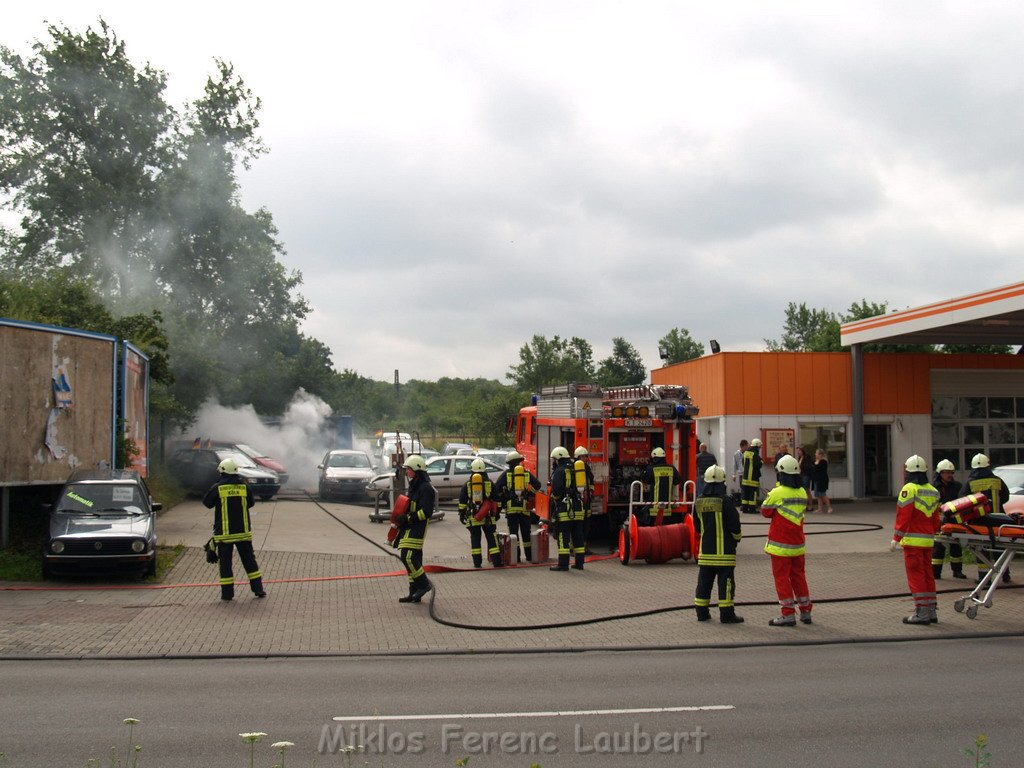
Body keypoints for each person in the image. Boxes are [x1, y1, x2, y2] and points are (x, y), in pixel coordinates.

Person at [203, 457, 266, 601]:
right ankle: (258, 589)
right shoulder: (244, 487)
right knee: (250, 562)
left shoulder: (217, 488)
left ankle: (227, 594)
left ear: (223, 472)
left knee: (225, 565)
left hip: (225, 535)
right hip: (243, 533)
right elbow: (250, 504)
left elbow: (207, 503)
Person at [761, 454, 812, 626]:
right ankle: (806, 612)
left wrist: (772, 495)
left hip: (780, 547)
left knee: (782, 579)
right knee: (799, 577)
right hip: (798, 545)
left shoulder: (777, 493)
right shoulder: (802, 492)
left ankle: (788, 614)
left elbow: (765, 512)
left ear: (781, 474)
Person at [890, 455, 941, 624]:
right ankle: (931, 610)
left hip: (912, 543)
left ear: (908, 472)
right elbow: (935, 520)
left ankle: (922, 613)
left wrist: (896, 537)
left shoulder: (908, 489)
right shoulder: (934, 491)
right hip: (928, 542)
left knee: (916, 577)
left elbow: (903, 516)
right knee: (928, 576)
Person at [693, 465, 744, 624]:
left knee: (704, 584)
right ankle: (727, 615)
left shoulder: (699, 502)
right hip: (725, 554)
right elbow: (734, 525)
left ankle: (701, 613)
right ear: (722, 482)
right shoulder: (726, 501)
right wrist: (737, 538)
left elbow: (697, 526)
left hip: (706, 553)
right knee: (726, 584)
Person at [960, 453, 1012, 583]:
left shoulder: (970, 483)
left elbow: (961, 500)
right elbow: (1006, 497)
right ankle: (1005, 575)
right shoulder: (997, 481)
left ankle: (984, 578)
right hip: (999, 520)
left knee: (981, 549)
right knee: (1000, 548)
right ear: (988, 466)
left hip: (979, 522)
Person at [394, 454, 436, 603]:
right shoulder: (415, 485)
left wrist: (408, 518)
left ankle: (424, 585)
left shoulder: (426, 489)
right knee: (413, 558)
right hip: (408, 527)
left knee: (408, 556)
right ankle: (413, 593)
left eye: (408, 469)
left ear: (417, 470)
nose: (407, 472)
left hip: (417, 528)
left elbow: (426, 512)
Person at [493, 450, 540, 563]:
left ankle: (516, 557)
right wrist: (530, 494)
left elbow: (497, 489)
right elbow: (538, 485)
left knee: (514, 534)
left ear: (509, 463)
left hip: (511, 510)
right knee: (526, 534)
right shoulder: (526, 473)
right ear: (519, 462)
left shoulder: (506, 475)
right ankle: (529, 556)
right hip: (525, 510)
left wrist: (503, 499)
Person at [458, 458, 503, 568]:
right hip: (488, 517)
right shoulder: (490, 484)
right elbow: (497, 501)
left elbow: (462, 502)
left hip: (473, 518)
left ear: (472, 470)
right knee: (492, 539)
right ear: (484, 470)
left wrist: (462, 515)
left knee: (475, 540)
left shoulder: (467, 485)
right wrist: (496, 514)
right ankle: (496, 562)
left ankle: (477, 564)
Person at [548, 446, 586, 571]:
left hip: (565, 509)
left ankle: (563, 564)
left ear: (559, 458)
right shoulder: (577, 467)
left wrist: (554, 498)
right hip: (578, 507)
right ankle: (579, 563)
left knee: (563, 536)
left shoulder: (560, 471)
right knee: (578, 536)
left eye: (555, 459)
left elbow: (557, 491)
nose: (554, 462)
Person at [931, 459, 966, 580]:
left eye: (951, 472)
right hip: (938, 521)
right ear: (940, 473)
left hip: (954, 520)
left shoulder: (957, 486)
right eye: (947, 472)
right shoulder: (933, 488)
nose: (950, 475)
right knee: (938, 547)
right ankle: (935, 573)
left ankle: (957, 571)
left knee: (956, 546)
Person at [642, 447, 683, 525]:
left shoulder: (652, 469)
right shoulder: (671, 468)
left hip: (654, 509)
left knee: (653, 529)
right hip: (667, 508)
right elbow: (678, 480)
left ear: (654, 459)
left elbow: (645, 480)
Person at [573, 446, 596, 553]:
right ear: (578, 457)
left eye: (586, 456)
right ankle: (578, 547)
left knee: (584, 525)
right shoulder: (580, 468)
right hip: (581, 501)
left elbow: (591, 482)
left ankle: (581, 547)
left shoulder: (583, 468)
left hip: (583, 501)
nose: (586, 458)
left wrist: (590, 492)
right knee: (580, 525)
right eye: (584, 456)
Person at [740, 438, 763, 514]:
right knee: (752, 494)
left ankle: (744, 509)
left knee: (745, 494)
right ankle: (752, 509)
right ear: (756, 446)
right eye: (759, 447)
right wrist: (761, 461)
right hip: (753, 478)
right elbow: (758, 465)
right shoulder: (755, 454)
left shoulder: (745, 453)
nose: (759, 448)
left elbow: (743, 463)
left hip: (745, 478)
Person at [811, 448, 832, 514]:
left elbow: (818, 469)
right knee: (818, 495)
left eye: (816, 453)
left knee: (823, 494)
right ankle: (820, 509)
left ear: (820, 454)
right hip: (816, 479)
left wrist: (816, 464)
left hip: (822, 480)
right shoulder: (816, 461)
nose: (815, 454)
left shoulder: (823, 461)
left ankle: (829, 507)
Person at [795, 446, 814, 510]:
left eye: (799, 451)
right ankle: (804, 505)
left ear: (802, 451)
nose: (798, 452)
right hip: (801, 474)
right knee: (802, 491)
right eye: (797, 451)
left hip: (806, 475)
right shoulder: (800, 457)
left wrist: (801, 466)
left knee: (806, 490)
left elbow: (808, 466)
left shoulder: (807, 457)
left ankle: (810, 505)